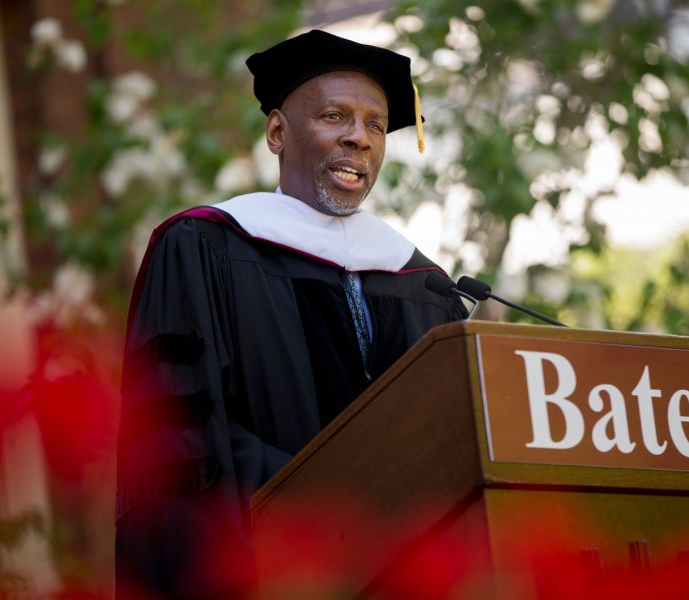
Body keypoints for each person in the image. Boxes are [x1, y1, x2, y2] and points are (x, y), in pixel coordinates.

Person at [114, 29, 466, 597]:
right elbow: (182, 449)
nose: (359, 138)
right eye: (334, 117)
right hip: (263, 570)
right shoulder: (204, 248)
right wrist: (325, 503)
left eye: (375, 125)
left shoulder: (424, 285)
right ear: (278, 132)